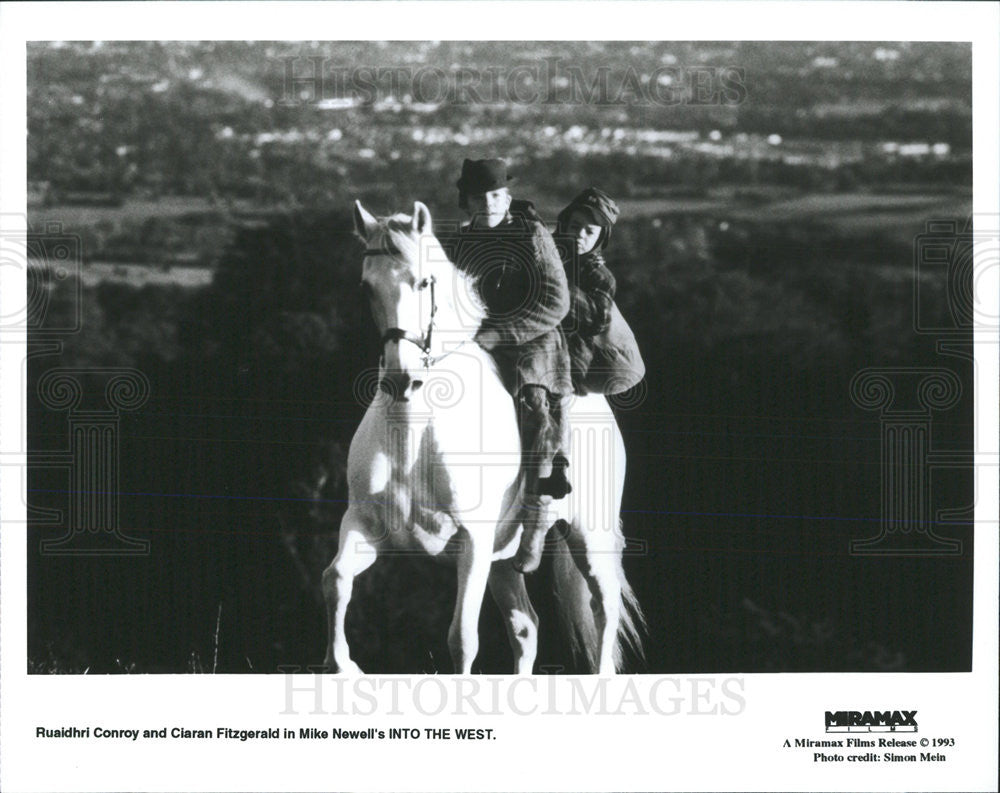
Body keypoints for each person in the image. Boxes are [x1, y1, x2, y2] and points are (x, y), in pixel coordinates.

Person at [448, 158, 572, 573]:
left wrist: (500, 335)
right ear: (466, 201)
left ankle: (536, 521)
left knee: (535, 407)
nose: (489, 203)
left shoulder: (531, 234)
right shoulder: (459, 241)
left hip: (531, 341)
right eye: (480, 197)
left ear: (508, 196)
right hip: (474, 338)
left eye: (497, 195)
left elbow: (556, 301)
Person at [555, 187, 644, 398]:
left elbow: (595, 323)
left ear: (600, 238)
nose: (579, 235)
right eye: (575, 226)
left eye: (589, 231)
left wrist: (557, 283)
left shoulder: (601, 276)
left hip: (612, 365)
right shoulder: (557, 251)